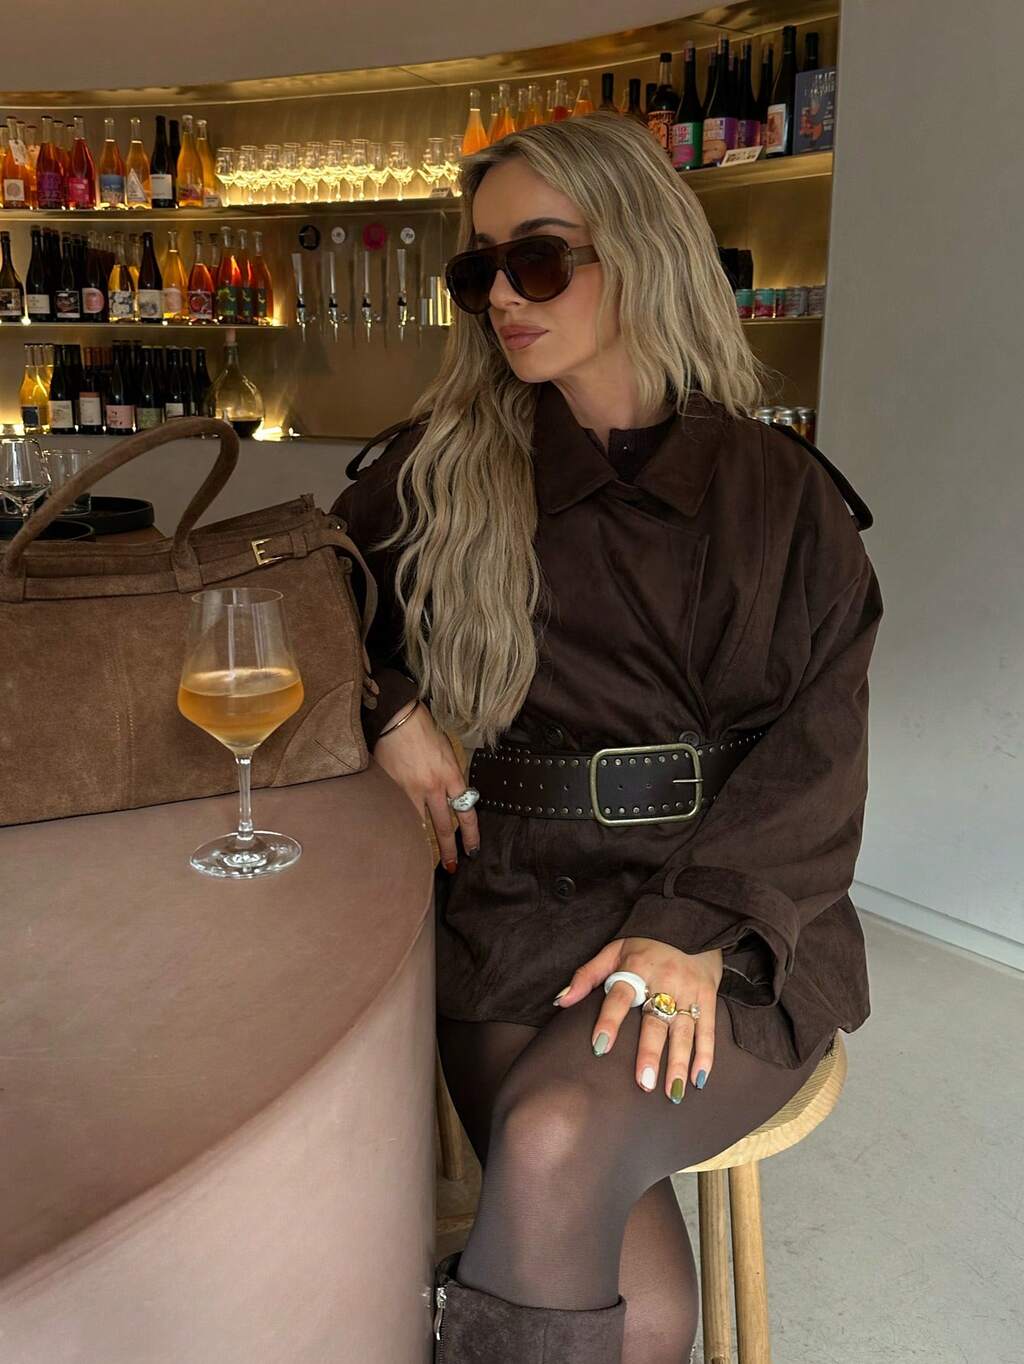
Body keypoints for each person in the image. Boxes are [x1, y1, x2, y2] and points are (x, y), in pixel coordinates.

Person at [333, 110, 883, 1364]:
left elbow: (819, 752)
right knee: (647, 1310)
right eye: (478, 269)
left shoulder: (781, 494)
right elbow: (301, 593)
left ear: (640, 249)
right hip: (517, 905)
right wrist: (389, 707)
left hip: (733, 915)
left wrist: (693, 929)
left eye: (536, 258)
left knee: (552, 1141)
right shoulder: (439, 472)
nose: (500, 297)